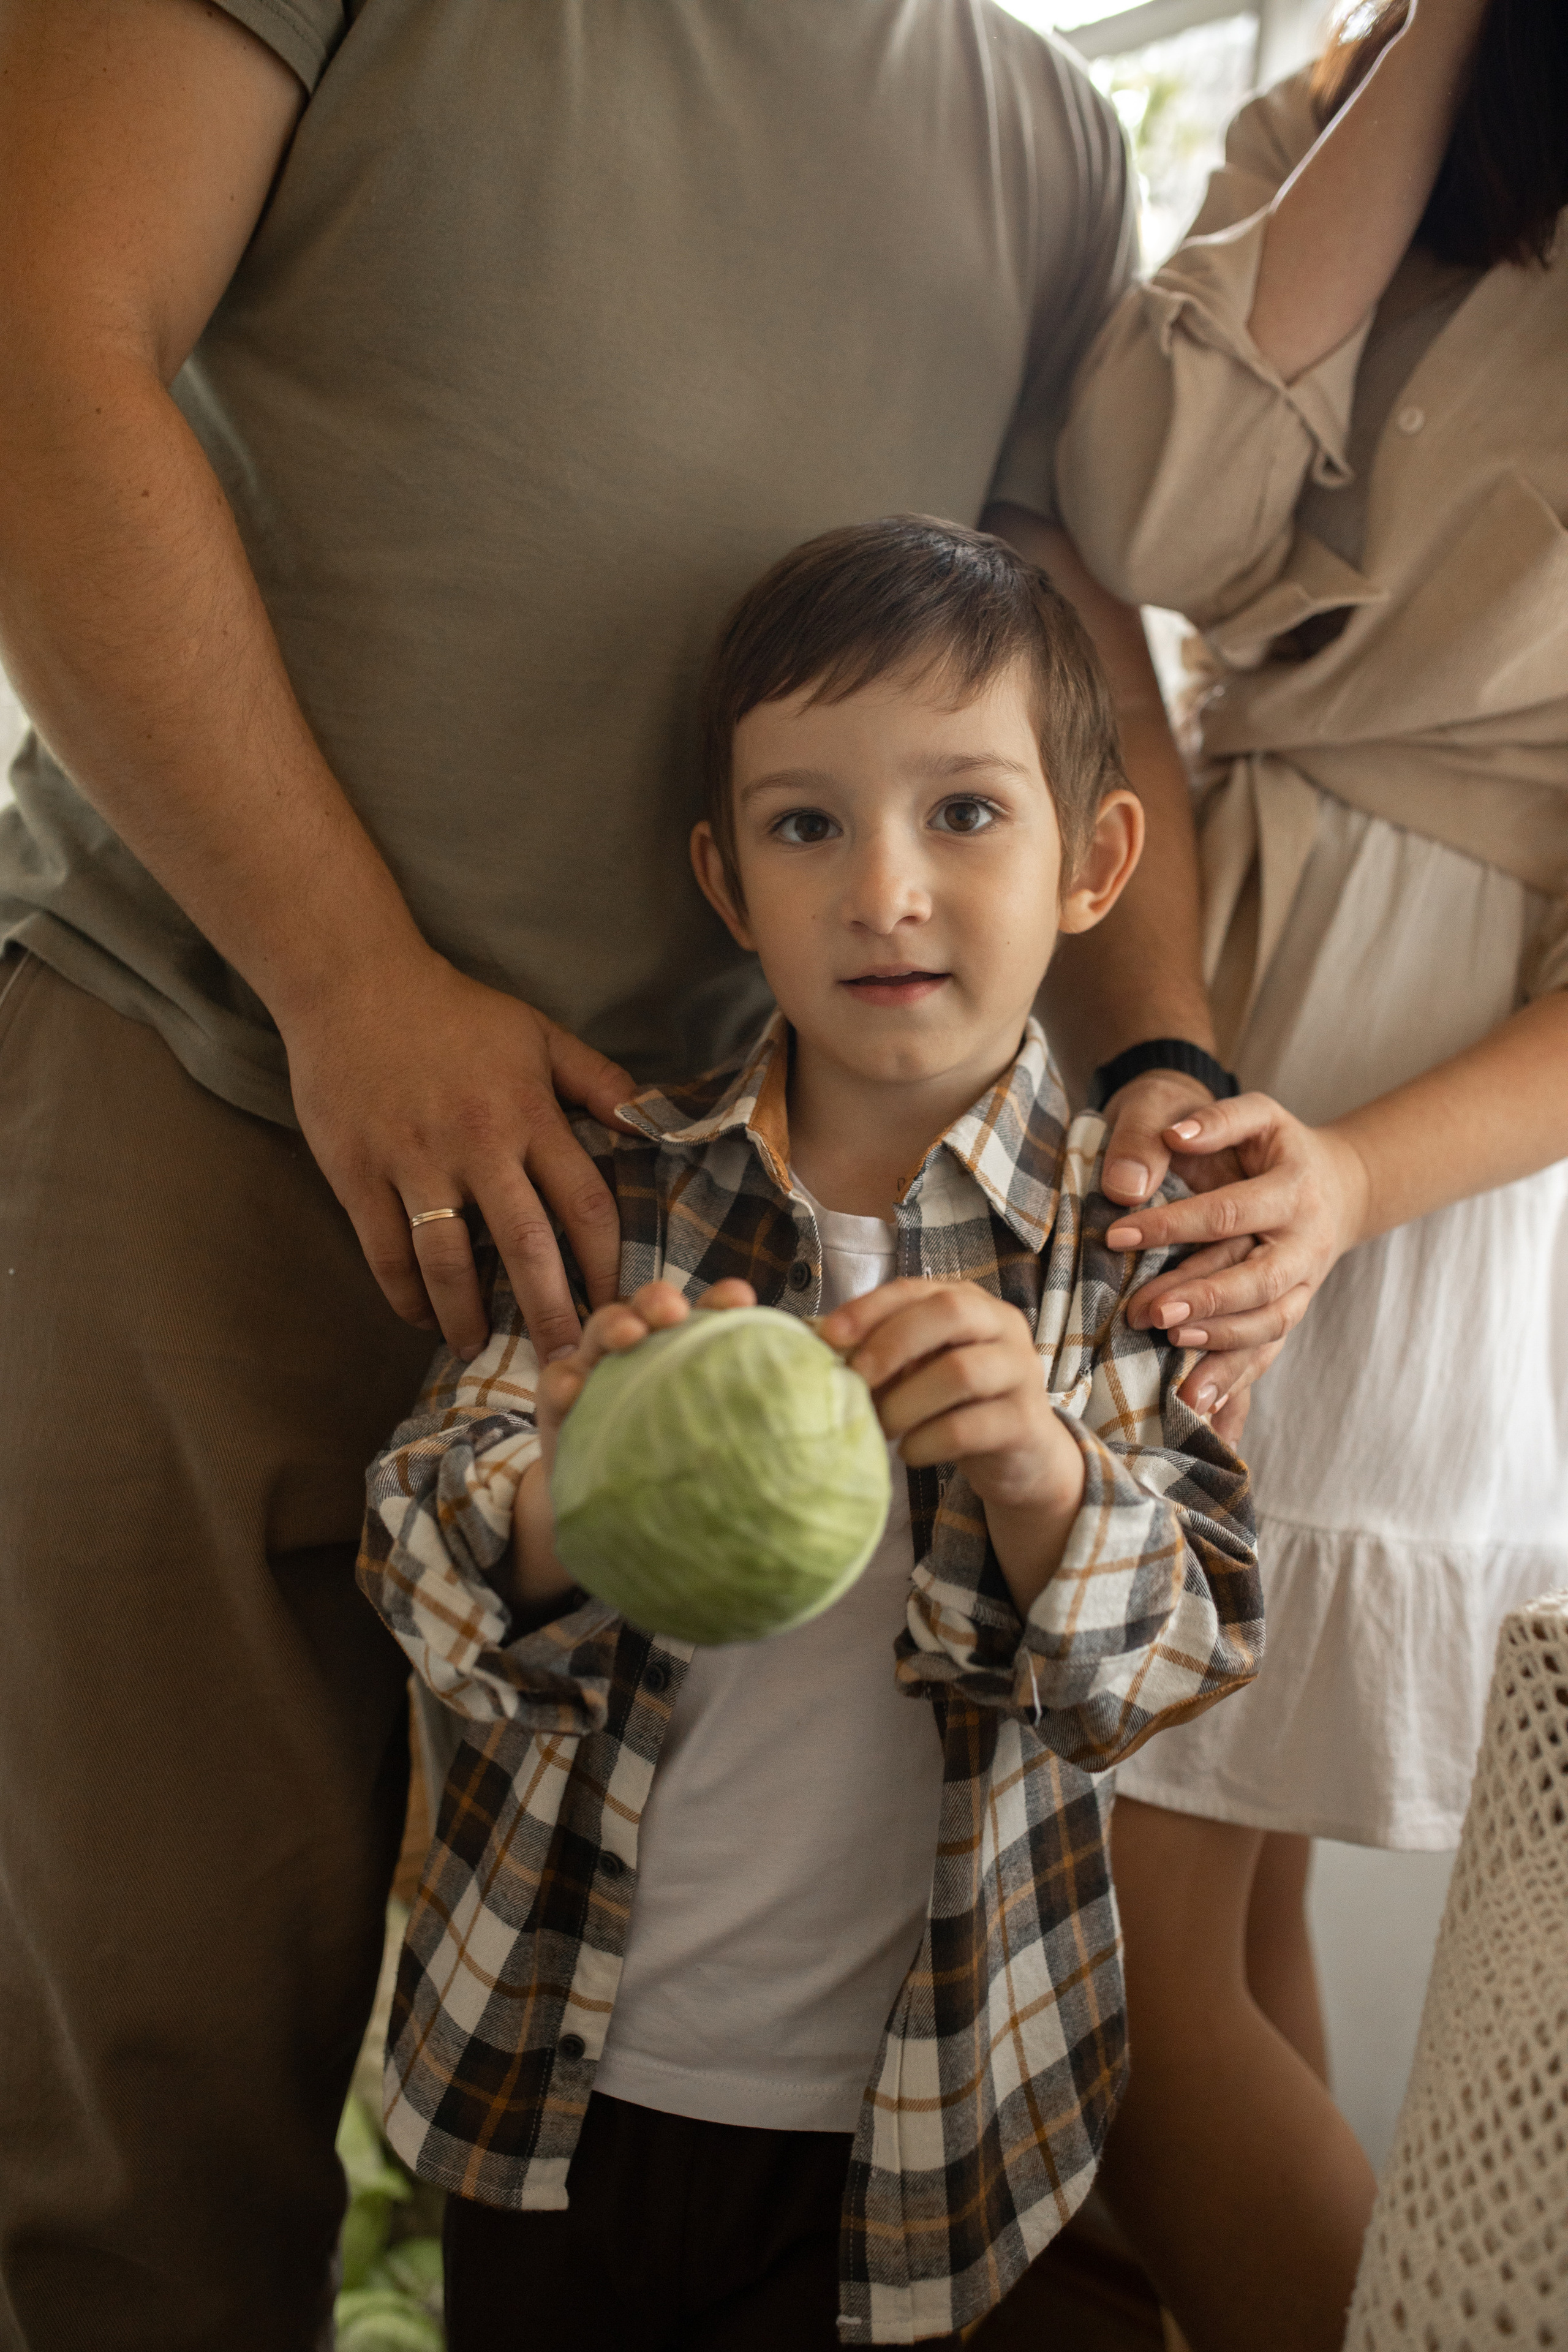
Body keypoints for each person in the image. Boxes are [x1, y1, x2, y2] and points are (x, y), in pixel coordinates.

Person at [0, 6, 1242, 2342]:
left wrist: (1161, 1056)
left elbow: (1062, 641)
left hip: (685, 1216)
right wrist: (348, 978)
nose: (897, 874)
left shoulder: (1045, 136)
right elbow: (36, 339)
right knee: (145, 2086)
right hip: (210, 1069)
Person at [357, 518, 1262, 2351]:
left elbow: (1185, 1656)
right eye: (805, 827)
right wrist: (564, 1494)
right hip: (559, 2082)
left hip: (928, 2124)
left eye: (965, 813)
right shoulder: (619, 1196)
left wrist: (1043, 1473)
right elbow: (412, 1546)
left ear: (1095, 863)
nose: (885, 891)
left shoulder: (1125, 1255)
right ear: (725, 878)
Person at [1053, 1, 1568, 2345]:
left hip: (1403, 1110)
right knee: (1216, 1912)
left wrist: (1353, 1176)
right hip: (1203, 971)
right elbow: (1145, 516)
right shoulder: (1382, 102)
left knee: (1114, 1975)